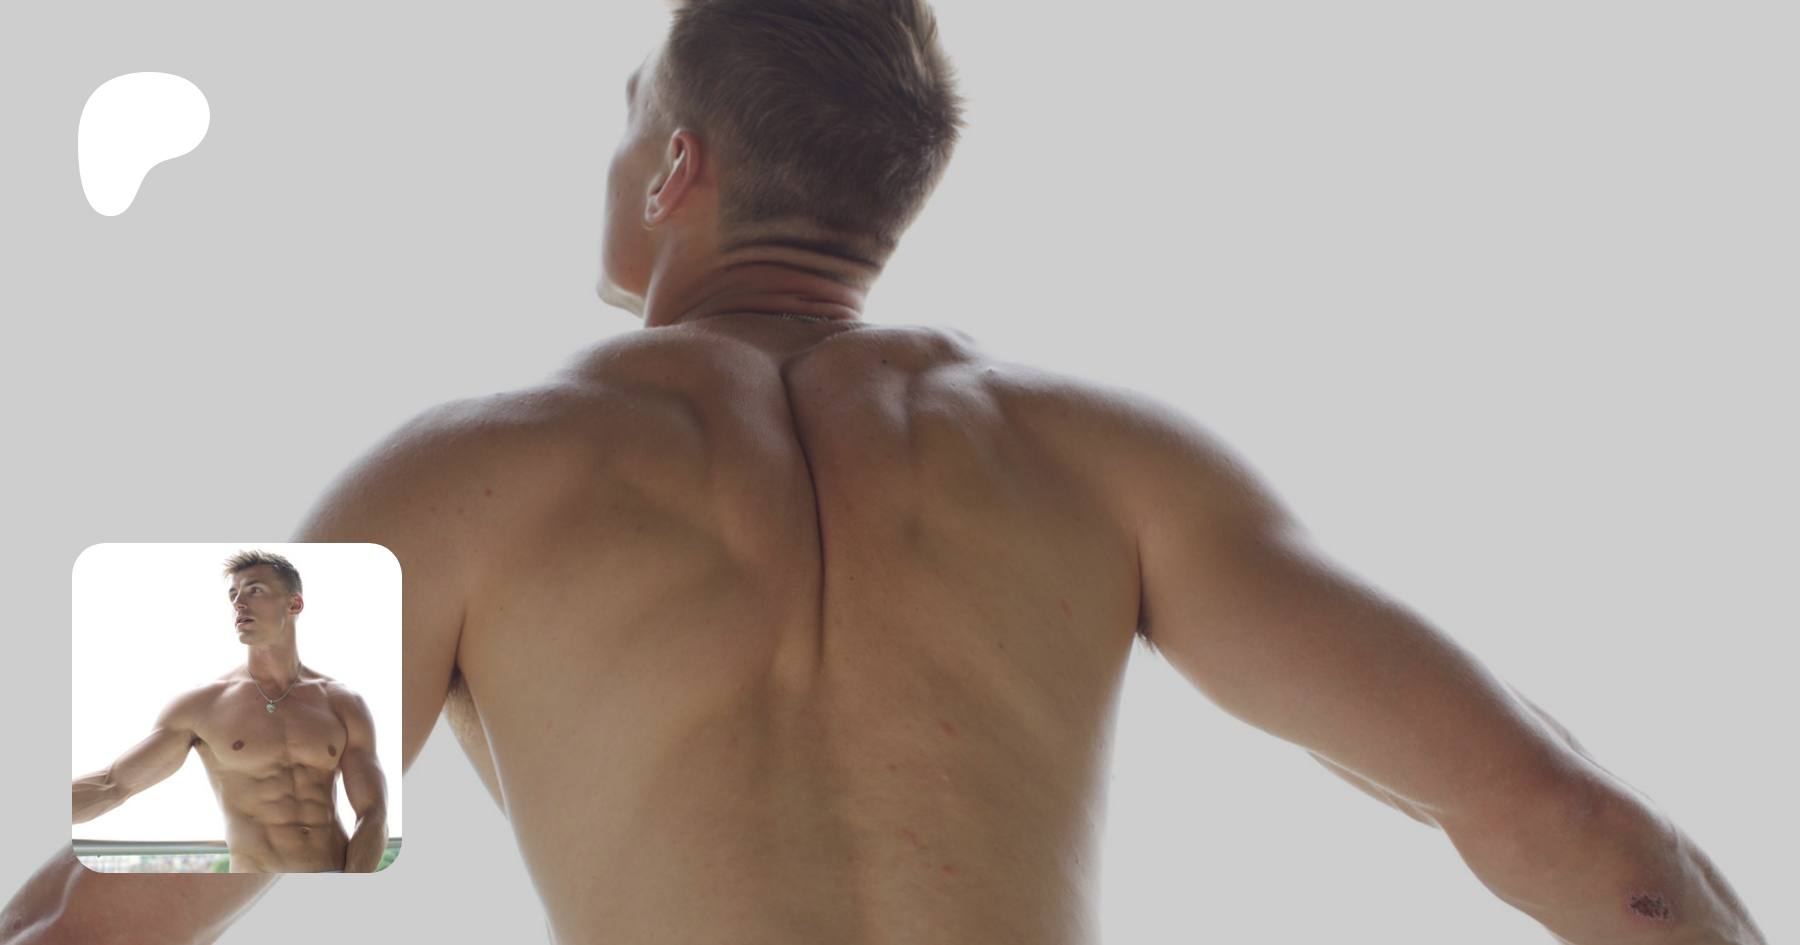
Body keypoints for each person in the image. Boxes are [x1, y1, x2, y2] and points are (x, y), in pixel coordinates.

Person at [0, 0, 1766, 942]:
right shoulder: (1114, 459)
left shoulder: (460, 474)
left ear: (676, 166)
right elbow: (1578, 833)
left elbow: (110, 923)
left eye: (629, 118)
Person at [69, 551, 387, 874]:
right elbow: (112, 785)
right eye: (233, 595)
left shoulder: (342, 703)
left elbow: (373, 811)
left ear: (294, 604)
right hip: (254, 889)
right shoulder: (203, 706)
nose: (238, 603)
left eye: (254, 590)